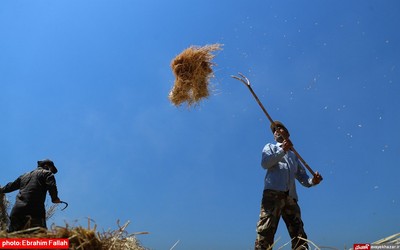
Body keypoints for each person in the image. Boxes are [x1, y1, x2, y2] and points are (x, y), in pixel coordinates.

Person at [254, 121, 323, 250]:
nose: (276, 131)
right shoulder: (270, 147)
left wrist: (313, 181)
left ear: (287, 133)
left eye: (279, 128)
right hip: (272, 194)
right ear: (274, 136)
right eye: (274, 130)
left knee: (298, 232)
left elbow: (303, 178)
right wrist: (282, 150)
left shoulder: (294, 156)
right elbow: (265, 163)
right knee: (266, 229)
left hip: (291, 197)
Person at [0, 159, 61, 232]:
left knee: (14, 239)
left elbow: (10, 186)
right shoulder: (47, 173)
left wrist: (1, 189)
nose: (51, 171)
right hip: (34, 212)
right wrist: (55, 198)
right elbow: (52, 186)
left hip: (17, 212)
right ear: (46, 166)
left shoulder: (24, 176)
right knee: (37, 239)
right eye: (51, 168)